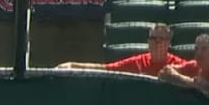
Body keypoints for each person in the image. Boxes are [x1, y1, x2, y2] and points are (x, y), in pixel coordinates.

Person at [55, 23, 186, 75]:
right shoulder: (138, 63)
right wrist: (72, 65)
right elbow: (105, 69)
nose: (156, 43)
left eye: (161, 40)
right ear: (148, 42)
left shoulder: (179, 65)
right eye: (153, 39)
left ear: (169, 43)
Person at [157, 33, 209, 105]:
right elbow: (166, 71)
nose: (199, 53)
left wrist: (202, 85)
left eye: (203, 49)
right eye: (196, 49)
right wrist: (188, 81)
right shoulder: (194, 65)